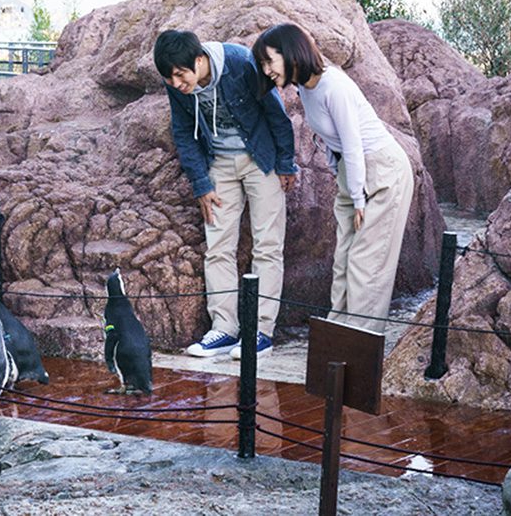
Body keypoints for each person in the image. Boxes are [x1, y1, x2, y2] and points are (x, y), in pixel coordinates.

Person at [252, 23, 414, 334]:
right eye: (262, 64)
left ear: (291, 53)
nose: (266, 70)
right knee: (343, 262)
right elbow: (333, 143)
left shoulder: (334, 85)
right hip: (350, 174)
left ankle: (359, 345)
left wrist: (357, 197)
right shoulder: (306, 88)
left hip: (381, 172)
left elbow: (353, 143)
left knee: (367, 265)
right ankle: (337, 337)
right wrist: (344, 182)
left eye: (269, 60)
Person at [154, 29, 298, 359]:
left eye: (180, 74)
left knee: (268, 245)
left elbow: (276, 114)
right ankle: (224, 327)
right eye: (170, 78)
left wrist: (286, 163)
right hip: (218, 164)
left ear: (200, 60)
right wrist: (201, 184)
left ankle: (261, 332)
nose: (176, 83)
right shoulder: (176, 85)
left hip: (261, 160)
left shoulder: (240, 63)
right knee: (217, 245)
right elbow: (183, 132)